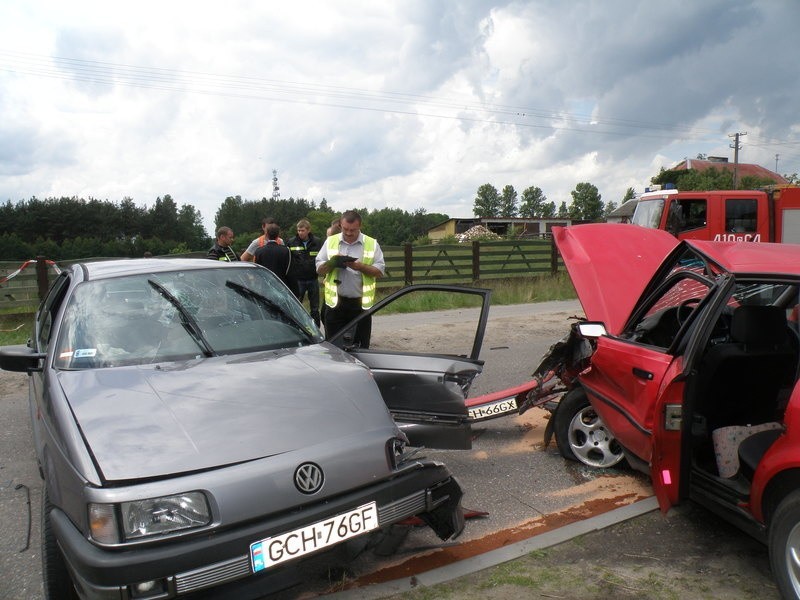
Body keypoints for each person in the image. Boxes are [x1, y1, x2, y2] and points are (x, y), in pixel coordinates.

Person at [316, 210, 384, 348]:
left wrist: (359, 266)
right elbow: (319, 269)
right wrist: (332, 263)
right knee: (334, 347)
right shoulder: (330, 241)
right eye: (345, 229)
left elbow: (379, 272)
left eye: (353, 230)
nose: (348, 233)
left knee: (361, 348)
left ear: (360, 226)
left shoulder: (371, 243)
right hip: (335, 304)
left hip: (360, 305)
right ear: (340, 224)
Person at [287, 219, 323, 327]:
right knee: (296, 306)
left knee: (315, 308)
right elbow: (287, 260)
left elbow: (322, 259)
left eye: (302, 230)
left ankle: (316, 329)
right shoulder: (291, 242)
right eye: (298, 230)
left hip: (313, 279)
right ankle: (295, 328)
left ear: (308, 230)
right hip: (298, 280)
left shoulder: (317, 242)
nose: (300, 233)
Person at [254, 223, 293, 288]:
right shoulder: (286, 250)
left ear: (266, 234)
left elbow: (258, 272)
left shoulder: (259, 251)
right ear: (278, 235)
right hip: (282, 285)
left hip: (265, 286)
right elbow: (289, 272)